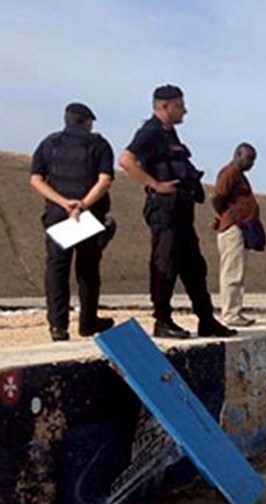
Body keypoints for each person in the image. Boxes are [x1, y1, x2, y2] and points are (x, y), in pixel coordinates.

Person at [119, 84, 235, 339]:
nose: (185, 111)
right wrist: (155, 185)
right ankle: (162, 320)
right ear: (164, 106)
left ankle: (206, 319)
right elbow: (126, 160)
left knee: (194, 266)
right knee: (165, 263)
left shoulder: (169, 134)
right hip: (164, 210)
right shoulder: (150, 131)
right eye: (180, 106)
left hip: (182, 211)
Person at [29, 102, 116, 341]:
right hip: (87, 216)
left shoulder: (49, 143)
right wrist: (82, 205)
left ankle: (58, 327)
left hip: (58, 215)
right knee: (87, 270)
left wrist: (63, 203)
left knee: (57, 270)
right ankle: (88, 322)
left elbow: (36, 180)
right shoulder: (98, 144)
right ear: (87, 122)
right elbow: (105, 180)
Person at [212, 142, 263, 327]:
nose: (251, 164)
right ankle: (230, 314)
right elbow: (218, 197)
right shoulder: (229, 173)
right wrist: (225, 215)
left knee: (238, 271)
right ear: (238, 155)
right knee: (231, 272)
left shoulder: (240, 176)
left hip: (241, 228)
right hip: (233, 228)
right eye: (249, 159)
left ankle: (236, 310)